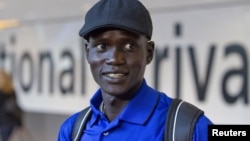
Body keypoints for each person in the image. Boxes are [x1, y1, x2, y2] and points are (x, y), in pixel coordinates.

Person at [58, 0, 213, 140]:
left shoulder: (193, 128)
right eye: (102, 46)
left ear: (149, 53)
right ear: (87, 52)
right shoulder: (72, 130)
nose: (114, 59)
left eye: (129, 46)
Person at [0, 70, 23, 141]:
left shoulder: (5, 93)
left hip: (4, 122)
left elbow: (14, 108)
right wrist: (20, 124)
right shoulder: (11, 91)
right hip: (11, 122)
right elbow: (15, 108)